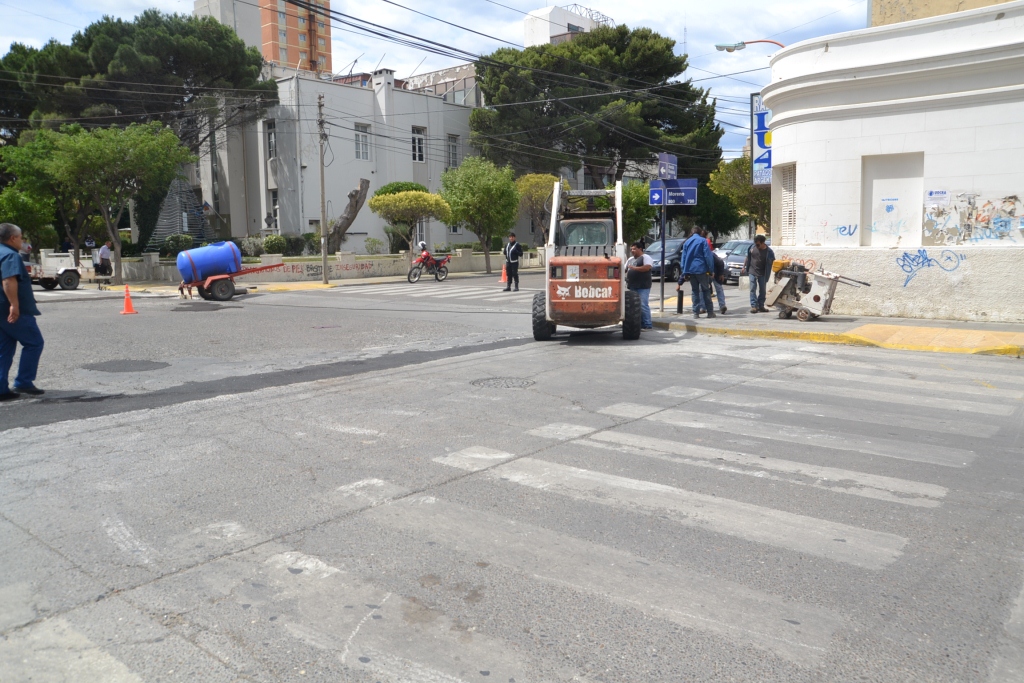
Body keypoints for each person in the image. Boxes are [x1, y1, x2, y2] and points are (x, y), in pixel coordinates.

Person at [0, 223, 45, 400]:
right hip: (9, 308)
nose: (22, 240)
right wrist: (14, 305)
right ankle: (23, 381)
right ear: (13, 238)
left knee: (4, 348)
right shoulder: (10, 255)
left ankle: (1, 388)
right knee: (34, 342)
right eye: (20, 237)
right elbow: (9, 281)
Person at [677, 226, 715, 319]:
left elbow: (684, 258)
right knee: (706, 290)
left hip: (691, 270)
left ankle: (695, 313)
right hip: (702, 269)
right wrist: (711, 270)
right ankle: (710, 312)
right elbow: (708, 256)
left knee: (695, 291)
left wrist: (684, 271)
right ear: (699, 232)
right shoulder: (703, 241)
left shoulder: (687, 242)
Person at [741, 234, 776, 313]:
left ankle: (761, 306)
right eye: (756, 244)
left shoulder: (769, 252)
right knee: (752, 288)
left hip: (763, 273)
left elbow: (773, 261)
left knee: (762, 290)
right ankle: (754, 306)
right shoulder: (752, 248)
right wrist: (743, 267)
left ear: (763, 242)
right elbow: (747, 257)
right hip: (752, 271)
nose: (757, 246)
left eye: (758, 244)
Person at [625, 241, 653, 330]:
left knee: (643, 305)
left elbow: (647, 267)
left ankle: (647, 324)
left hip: (643, 286)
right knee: (634, 306)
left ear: (640, 249)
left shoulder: (646, 257)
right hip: (632, 285)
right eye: (631, 249)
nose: (632, 251)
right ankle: (639, 324)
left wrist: (634, 268)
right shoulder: (630, 259)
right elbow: (624, 269)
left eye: (634, 249)